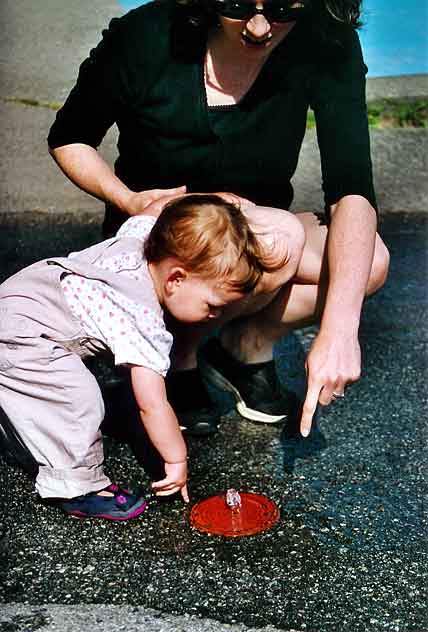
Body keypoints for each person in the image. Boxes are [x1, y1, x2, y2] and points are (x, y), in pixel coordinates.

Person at [47, 0, 390, 438]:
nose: (261, 26)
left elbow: (351, 187)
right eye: (237, 5)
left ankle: (244, 345)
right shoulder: (148, 33)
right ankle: (175, 357)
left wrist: (341, 329)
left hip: (253, 231)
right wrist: (130, 200)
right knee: (276, 237)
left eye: (285, 7)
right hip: (154, 241)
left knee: (367, 262)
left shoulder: (325, 38)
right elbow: (70, 137)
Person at [0, 194, 296, 521]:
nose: (215, 316)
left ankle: (26, 431)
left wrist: (204, 201)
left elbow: (155, 210)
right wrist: (176, 458)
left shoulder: (141, 239)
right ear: (176, 278)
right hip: (23, 336)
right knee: (77, 401)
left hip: (21, 301)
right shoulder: (141, 314)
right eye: (212, 305)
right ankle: (78, 485)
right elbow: (152, 403)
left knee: (41, 386)